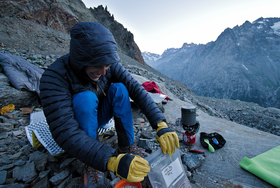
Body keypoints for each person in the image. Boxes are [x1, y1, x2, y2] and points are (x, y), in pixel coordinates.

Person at [39, 22, 179, 183]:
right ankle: (91, 164)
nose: (104, 72)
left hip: (97, 114)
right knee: (86, 98)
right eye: (98, 66)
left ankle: (126, 147)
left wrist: (160, 123)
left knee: (120, 88)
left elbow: (136, 89)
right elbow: (64, 130)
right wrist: (110, 160)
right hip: (76, 122)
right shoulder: (54, 77)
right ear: (80, 59)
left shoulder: (108, 66)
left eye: (107, 65)